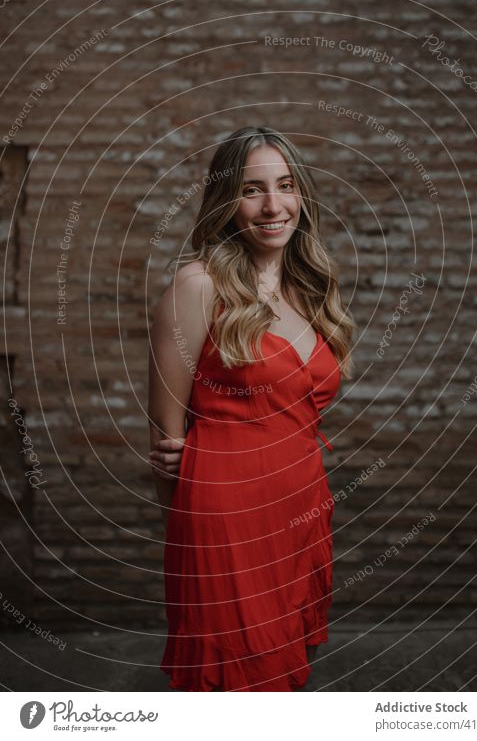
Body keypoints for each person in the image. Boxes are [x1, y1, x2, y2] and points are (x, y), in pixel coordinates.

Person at [148, 126, 356, 691]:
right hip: (226, 519)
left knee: (284, 679)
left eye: (286, 186)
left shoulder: (308, 287)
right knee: (237, 685)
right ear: (225, 201)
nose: (273, 206)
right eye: (252, 189)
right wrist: (197, 524)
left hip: (303, 507)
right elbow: (165, 442)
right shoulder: (197, 287)